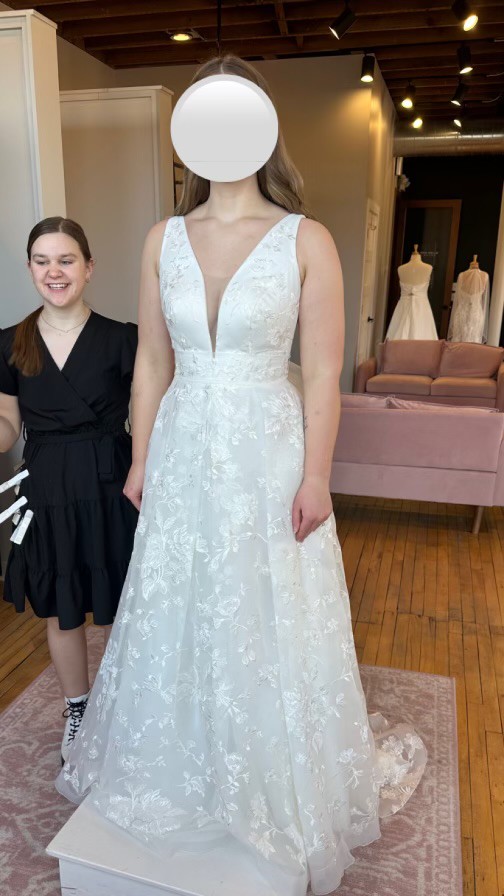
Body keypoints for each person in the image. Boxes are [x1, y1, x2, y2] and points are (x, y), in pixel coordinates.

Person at [57, 57, 424, 896]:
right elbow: (152, 361)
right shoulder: (162, 239)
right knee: (181, 600)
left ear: (260, 127)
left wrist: (317, 477)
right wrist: (141, 457)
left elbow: (321, 371)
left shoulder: (306, 239)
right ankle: (182, 763)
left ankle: (271, 776)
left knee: (264, 604)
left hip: (269, 446)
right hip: (185, 442)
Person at [0, 217, 138, 763]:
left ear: (88, 267)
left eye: (65, 260)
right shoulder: (10, 342)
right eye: (42, 261)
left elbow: (148, 418)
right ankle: (77, 710)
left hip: (115, 484)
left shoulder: (123, 338)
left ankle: (135, 707)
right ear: (30, 268)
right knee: (63, 607)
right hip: (48, 487)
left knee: (129, 601)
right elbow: (8, 428)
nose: (53, 272)